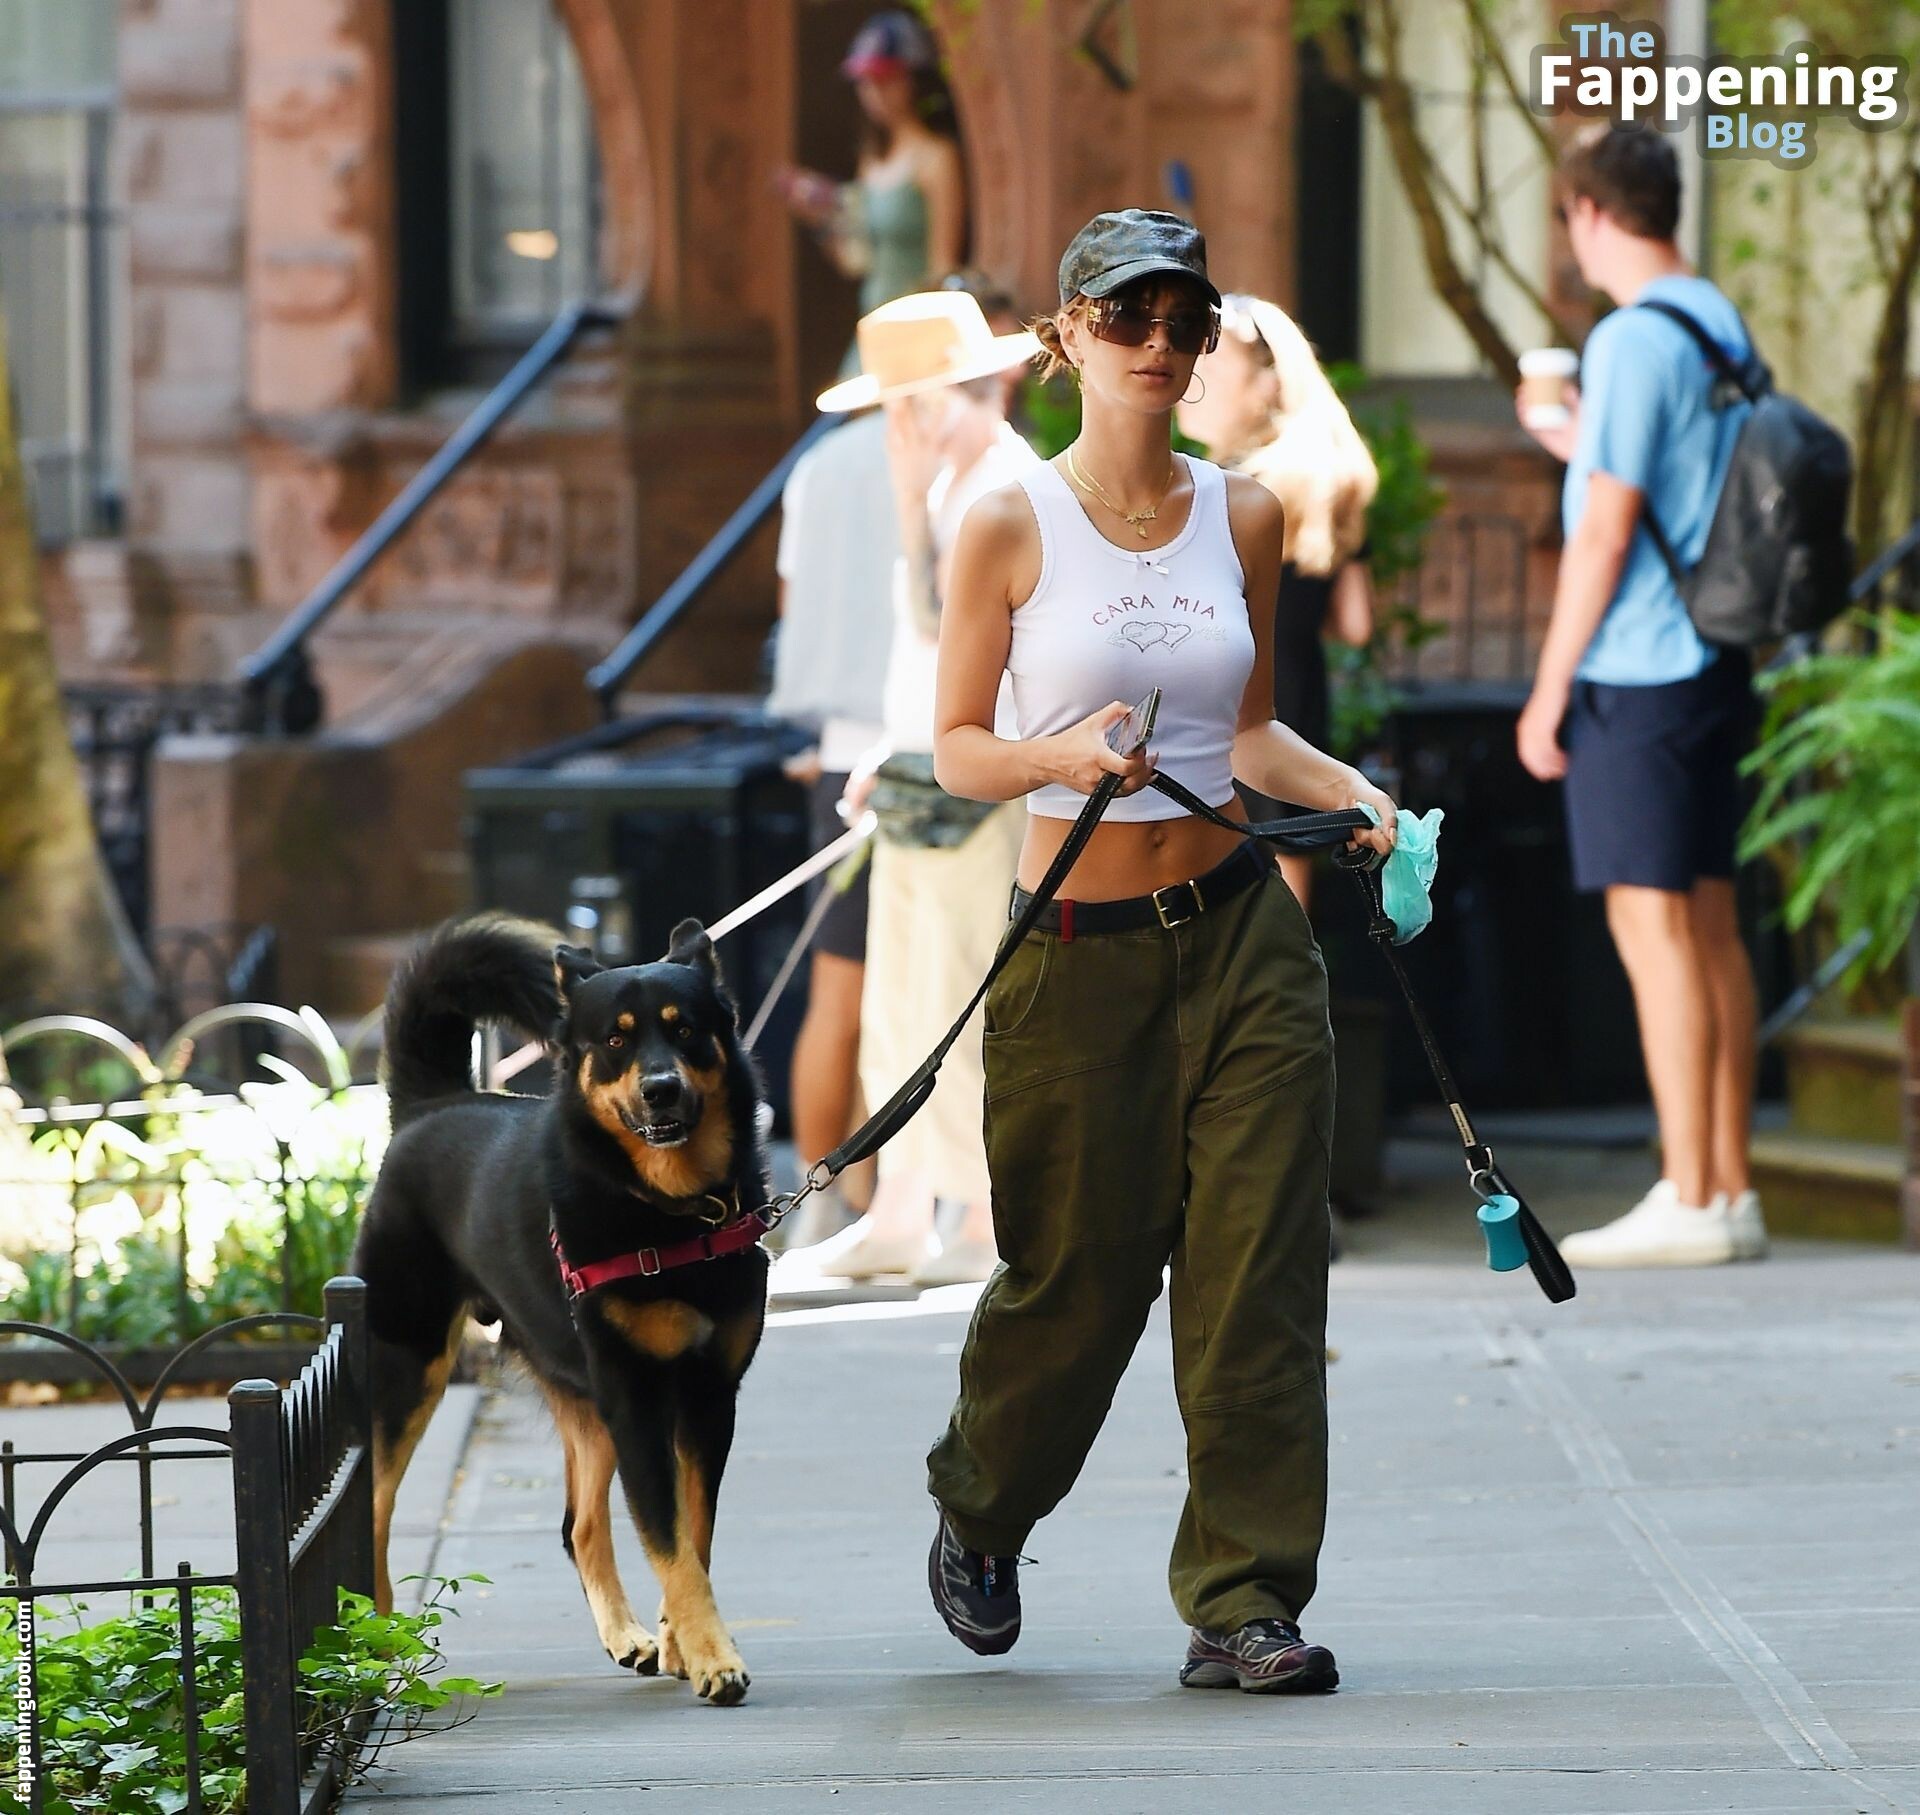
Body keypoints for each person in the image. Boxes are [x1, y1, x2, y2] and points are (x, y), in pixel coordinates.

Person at [921, 210, 1398, 1690]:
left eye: (1183, 322)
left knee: (1261, 1276)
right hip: (1076, 950)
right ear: (1066, 334)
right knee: (1075, 1283)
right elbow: (957, 749)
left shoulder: (1244, 514)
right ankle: (982, 1505)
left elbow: (1247, 732)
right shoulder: (1008, 519)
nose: (1157, 344)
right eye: (1126, 317)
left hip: (1243, 934)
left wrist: (1356, 792)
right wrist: (1061, 753)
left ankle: (1243, 1598)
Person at [1515, 123, 1765, 1268]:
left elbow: (1607, 531)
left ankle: (1688, 1194)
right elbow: (1673, 480)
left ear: (1589, 213)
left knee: (1649, 925)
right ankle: (1730, 1188)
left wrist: (1548, 690)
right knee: (1709, 922)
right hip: (1716, 655)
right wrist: (1577, 442)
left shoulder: (1626, 339)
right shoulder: (1714, 320)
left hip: (1638, 664)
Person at [774, 286, 1041, 1291]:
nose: (896, 427)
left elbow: (945, 626)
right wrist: (886, 751)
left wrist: (905, 500)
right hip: (919, 773)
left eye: (905, 405)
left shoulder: (1001, 488)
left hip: (977, 784)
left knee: (962, 996)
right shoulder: (952, 483)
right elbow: (922, 656)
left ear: (943, 401)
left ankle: (976, 1216)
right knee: (899, 1003)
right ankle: (898, 1213)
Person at [1178, 294, 1379, 908]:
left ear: (1267, 383)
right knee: (1286, 889)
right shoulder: (1321, 479)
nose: (1190, 375)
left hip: (1232, 710)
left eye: (1211, 364)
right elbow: (1356, 622)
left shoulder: (1231, 491)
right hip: (1297, 699)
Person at [767, 409, 901, 1247]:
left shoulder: (818, 467)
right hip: (929, 751)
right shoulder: (977, 454)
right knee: (904, 990)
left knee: (840, 989)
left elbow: (794, 607)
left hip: (841, 744)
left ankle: (828, 1200)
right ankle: (868, 1197)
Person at [776, 10, 966, 371]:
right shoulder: (871, 161)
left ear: (912, 80)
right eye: (866, 83)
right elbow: (859, 259)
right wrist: (820, 218)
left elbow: (943, 266)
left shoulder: (936, 158)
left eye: (885, 80)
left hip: (916, 334)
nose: (874, 94)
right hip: (871, 327)